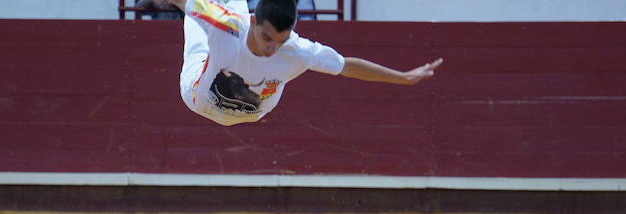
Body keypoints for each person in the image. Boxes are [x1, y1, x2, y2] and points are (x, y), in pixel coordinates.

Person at [157, 0, 443, 126]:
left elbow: (347, 66)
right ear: (253, 23)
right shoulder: (226, 24)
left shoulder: (298, 50)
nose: (272, 49)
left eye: (280, 41)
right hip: (197, 95)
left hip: (250, 112)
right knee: (202, 18)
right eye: (267, 38)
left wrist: (403, 77)